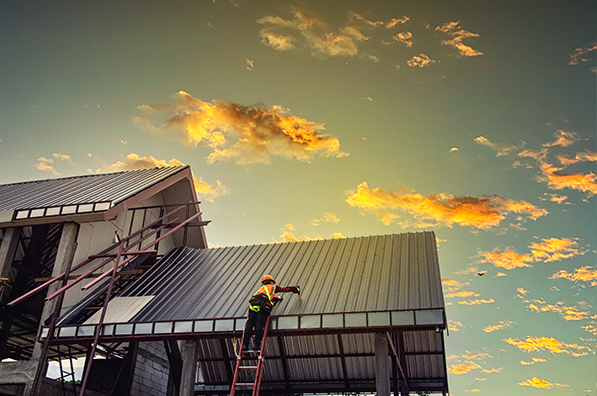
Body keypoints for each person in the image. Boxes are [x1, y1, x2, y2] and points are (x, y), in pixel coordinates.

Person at [241, 275, 300, 353]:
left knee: (250, 324)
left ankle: (245, 345)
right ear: (271, 282)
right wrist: (295, 289)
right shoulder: (273, 287)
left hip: (253, 304)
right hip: (262, 305)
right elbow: (285, 289)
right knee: (259, 323)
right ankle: (256, 345)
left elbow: (266, 297)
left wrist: (277, 298)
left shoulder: (260, 289)